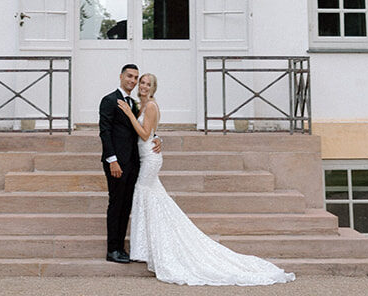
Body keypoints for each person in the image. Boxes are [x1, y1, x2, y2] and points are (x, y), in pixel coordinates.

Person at [118, 73, 295, 286]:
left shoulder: (151, 106)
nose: (144, 86)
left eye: (148, 84)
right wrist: (156, 136)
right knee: (152, 197)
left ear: (154, 88)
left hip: (150, 158)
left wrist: (129, 115)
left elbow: (146, 135)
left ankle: (153, 247)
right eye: (142, 83)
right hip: (146, 155)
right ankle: (149, 246)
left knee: (146, 194)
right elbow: (151, 133)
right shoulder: (141, 105)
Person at [98, 62, 159, 262]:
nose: (133, 81)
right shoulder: (109, 100)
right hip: (117, 163)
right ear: (121, 76)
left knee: (126, 205)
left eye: (136, 78)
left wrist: (158, 138)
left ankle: (121, 248)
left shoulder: (134, 104)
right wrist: (112, 160)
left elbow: (144, 129)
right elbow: (105, 133)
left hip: (134, 163)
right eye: (130, 77)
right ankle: (112, 249)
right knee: (116, 204)